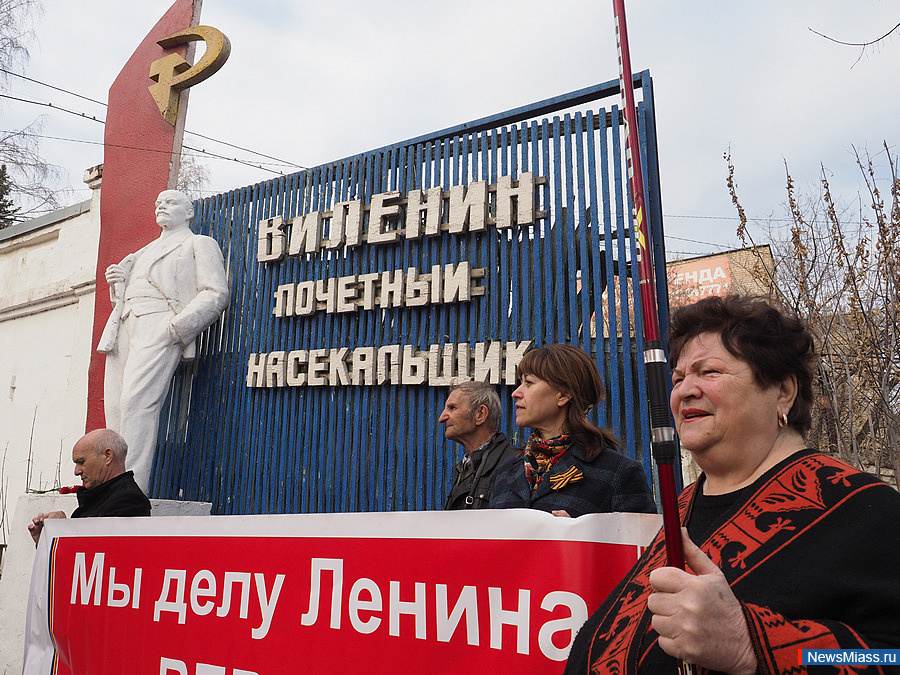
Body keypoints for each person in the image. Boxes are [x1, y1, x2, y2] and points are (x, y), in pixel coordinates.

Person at [565, 295, 900, 674]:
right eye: (678, 378)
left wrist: (751, 644)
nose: (684, 390)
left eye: (709, 372)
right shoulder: (682, 508)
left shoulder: (865, 509)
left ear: (784, 392)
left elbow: (889, 657)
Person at [98, 189, 229, 492]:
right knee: (116, 407)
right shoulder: (141, 253)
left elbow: (216, 293)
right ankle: (108, 487)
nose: (162, 207)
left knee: (137, 403)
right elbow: (127, 296)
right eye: (158, 203)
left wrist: (176, 328)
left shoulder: (198, 244)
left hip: (159, 325)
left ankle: (131, 490)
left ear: (189, 212)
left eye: (170, 203)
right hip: (124, 326)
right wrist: (118, 285)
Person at [489, 343, 657, 517]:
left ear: (563, 395)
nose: (515, 392)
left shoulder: (619, 472)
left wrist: (579, 535)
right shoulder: (505, 473)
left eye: (529, 383)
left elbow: (645, 543)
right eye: (520, 382)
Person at [28, 429, 151, 545]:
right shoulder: (101, 496)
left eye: (81, 462)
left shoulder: (128, 500)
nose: (76, 471)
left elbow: (104, 556)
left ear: (107, 456)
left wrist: (61, 531)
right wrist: (46, 543)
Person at [440, 381, 519, 509]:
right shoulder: (468, 466)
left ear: (480, 414)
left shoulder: (514, 465)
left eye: (452, 408)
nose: (442, 418)